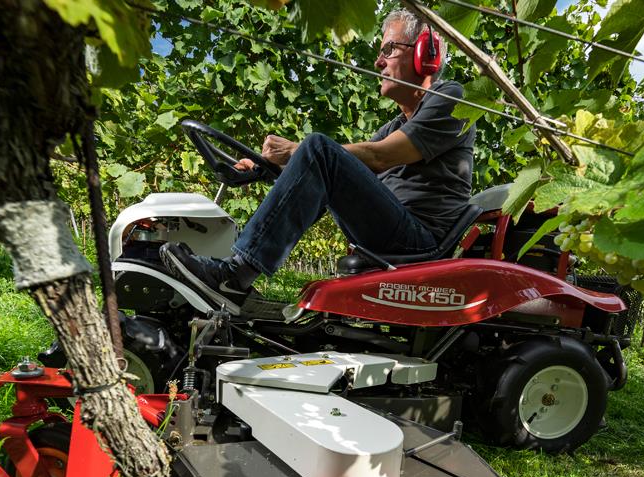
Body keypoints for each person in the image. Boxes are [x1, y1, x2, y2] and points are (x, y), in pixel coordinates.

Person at [161, 8, 476, 314]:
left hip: (419, 241)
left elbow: (379, 156)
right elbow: (336, 172)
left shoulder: (452, 99)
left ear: (425, 54)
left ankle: (234, 276)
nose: (378, 62)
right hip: (394, 231)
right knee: (319, 154)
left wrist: (298, 150)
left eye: (388, 49)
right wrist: (264, 167)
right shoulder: (393, 127)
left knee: (318, 148)